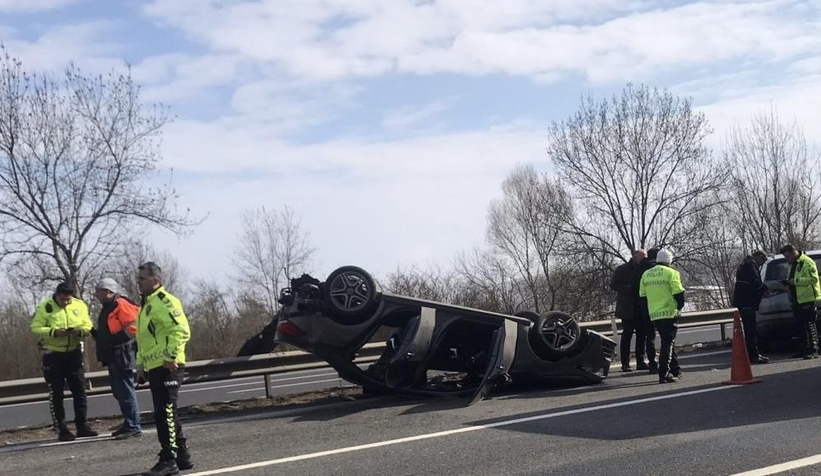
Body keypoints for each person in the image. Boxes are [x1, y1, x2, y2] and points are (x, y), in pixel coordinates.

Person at [136, 262, 193, 476]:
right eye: (138, 278)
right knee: (166, 411)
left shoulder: (166, 301)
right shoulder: (145, 306)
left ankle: (168, 459)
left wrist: (170, 356)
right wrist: (141, 365)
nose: (138, 282)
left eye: (142, 279)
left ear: (155, 280)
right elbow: (143, 339)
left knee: (165, 412)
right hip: (154, 366)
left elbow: (181, 330)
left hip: (169, 365)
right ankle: (182, 456)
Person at [30, 282, 99, 441]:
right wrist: (54, 332)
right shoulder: (45, 307)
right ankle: (62, 429)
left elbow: (87, 324)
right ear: (57, 295)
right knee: (56, 393)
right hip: (53, 355)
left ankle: (82, 425)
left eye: (68, 299)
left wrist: (80, 331)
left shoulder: (79, 305)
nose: (66, 302)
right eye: (62, 300)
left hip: (74, 353)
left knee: (80, 390)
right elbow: (35, 327)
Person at [92, 277, 143, 439]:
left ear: (108, 291)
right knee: (119, 391)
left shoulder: (121, 304)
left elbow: (134, 327)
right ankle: (129, 422)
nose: (96, 295)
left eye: (98, 291)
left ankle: (133, 425)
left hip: (123, 353)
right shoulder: (108, 306)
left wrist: (115, 341)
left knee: (126, 391)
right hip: (114, 355)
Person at [639, 249, 685, 384]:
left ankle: (676, 369)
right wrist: (678, 308)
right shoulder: (672, 272)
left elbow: (642, 297)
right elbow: (679, 294)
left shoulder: (646, 274)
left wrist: (648, 312)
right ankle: (663, 373)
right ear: (669, 261)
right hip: (669, 313)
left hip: (654, 314)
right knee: (668, 343)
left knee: (667, 342)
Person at [611, 249, 649, 372]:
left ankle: (640, 361)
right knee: (627, 335)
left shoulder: (646, 270)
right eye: (642, 257)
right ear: (635, 256)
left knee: (642, 335)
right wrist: (629, 289)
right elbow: (613, 285)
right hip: (627, 307)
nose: (644, 259)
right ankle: (625, 363)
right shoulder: (622, 269)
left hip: (641, 307)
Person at [780, 244, 821, 359]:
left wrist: (796, 281)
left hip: (808, 298)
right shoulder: (792, 264)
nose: (787, 259)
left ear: (794, 252)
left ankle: (814, 350)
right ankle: (803, 349)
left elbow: (814, 279)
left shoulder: (806, 262)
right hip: (796, 299)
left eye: (788, 256)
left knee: (810, 325)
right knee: (800, 326)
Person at [731, 251, 770, 364]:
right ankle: (753, 355)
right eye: (763, 261)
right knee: (750, 330)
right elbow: (755, 281)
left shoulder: (745, 263)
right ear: (760, 256)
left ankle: (752, 353)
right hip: (747, 301)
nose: (762, 264)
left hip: (743, 301)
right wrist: (764, 288)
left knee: (750, 329)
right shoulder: (750, 264)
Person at [636, 247, 659, 374]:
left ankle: (652, 364)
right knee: (667, 339)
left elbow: (638, 290)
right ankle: (670, 366)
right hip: (662, 308)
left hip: (644, 308)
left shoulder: (640, 270)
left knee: (649, 337)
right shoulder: (662, 270)